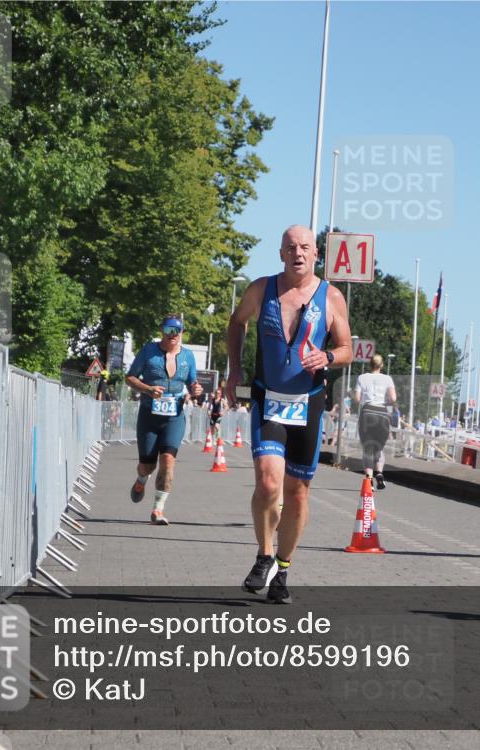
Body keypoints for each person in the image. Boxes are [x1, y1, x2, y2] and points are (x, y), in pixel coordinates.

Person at [226, 225, 352, 604]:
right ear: (281, 253)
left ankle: (283, 569)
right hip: (269, 398)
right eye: (290, 247)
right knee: (268, 483)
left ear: (316, 254)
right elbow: (236, 322)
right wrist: (234, 370)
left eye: (305, 247)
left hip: (308, 402)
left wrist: (328, 356)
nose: (298, 253)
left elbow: (347, 347)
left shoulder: (331, 297)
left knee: (297, 494)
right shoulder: (260, 289)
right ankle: (264, 555)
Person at [125, 315, 203, 525]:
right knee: (147, 465)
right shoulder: (149, 352)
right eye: (169, 330)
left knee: (168, 462)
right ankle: (141, 480)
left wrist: (196, 389)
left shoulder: (188, 356)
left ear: (182, 333)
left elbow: (193, 383)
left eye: (177, 331)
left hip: (174, 418)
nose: (173, 335)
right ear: (162, 331)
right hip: (149, 416)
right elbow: (130, 377)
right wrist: (148, 389)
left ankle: (158, 509)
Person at [353, 354, 397, 489]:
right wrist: (385, 401)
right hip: (382, 413)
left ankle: (369, 480)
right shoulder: (387, 379)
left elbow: (357, 398)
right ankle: (379, 473)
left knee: (367, 448)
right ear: (382, 365)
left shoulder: (362, 377)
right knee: (379, 447)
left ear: (369, 364)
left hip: (367, 413)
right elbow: (393, 398)